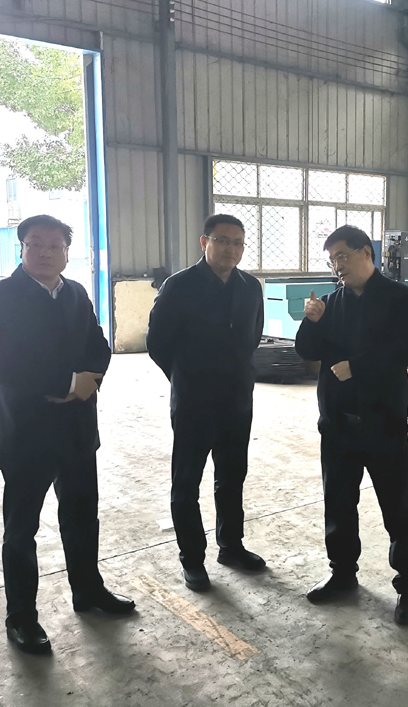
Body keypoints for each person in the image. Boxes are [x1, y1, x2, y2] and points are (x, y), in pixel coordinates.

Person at [0, 214, 135, 656]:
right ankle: (21, 617)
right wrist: (68, 383)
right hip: (28, 433)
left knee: (82, 516)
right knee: (21, 529)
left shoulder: (76, 293)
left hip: (78, 429)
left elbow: (98, 344)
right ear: (21, 247)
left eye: (55, 245)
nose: (45, 252)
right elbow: (6, 364)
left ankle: (88, 590)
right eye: (35, 244)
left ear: (67, 251)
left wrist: (90, 379)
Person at [294, 225, 408, 625]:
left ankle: (407, 585)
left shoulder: (399, 298)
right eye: (332, 260)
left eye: (343, 256)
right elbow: (306, 351)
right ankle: (342, 574)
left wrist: (358, 367)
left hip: (383, 422)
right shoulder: (331, 303)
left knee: (397, 508)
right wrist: (312, 321)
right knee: (338, 504)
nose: (338, 266)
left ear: (367, 253)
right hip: (338, 424)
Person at [146, 214, 266, 592]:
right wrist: (185, 376)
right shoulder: (179, 286)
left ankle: (231, 546)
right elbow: (157, 342)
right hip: (194, 400)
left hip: (237, 399)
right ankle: (192, 558)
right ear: (204, 242)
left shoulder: (250, 287)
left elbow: (253, 336)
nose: (231, 249)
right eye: (223, 240)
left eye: (238, 243)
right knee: (187, 481)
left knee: (232, 476)